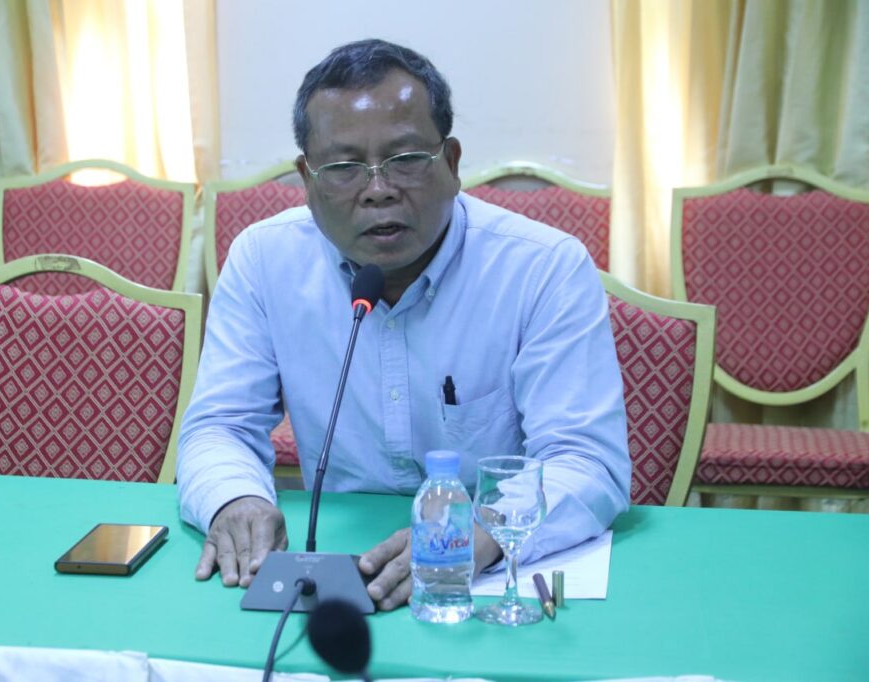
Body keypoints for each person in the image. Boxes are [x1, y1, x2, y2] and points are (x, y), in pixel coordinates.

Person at [177, 39, 630, 611]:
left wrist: (481, 532)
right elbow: (219, 425)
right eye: (344, 168)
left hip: (488, 584)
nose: (378, 190)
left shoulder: (542, 268)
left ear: (452, 164)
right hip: (338, 571)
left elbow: (586, 460)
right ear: (307, 180)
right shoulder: (264, 260)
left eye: (406, 159)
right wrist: (234, 498)